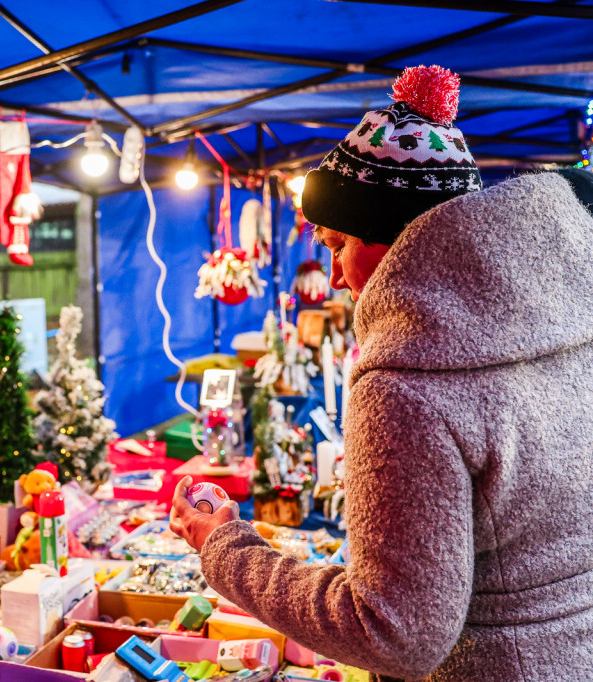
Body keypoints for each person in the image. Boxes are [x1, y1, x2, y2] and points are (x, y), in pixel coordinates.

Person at [170, 65, 593, 681]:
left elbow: (394, 631)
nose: (336, 275)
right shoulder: (567, 322)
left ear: (403, 242)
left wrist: (224, 547)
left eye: (338, 244)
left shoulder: (405, 380)